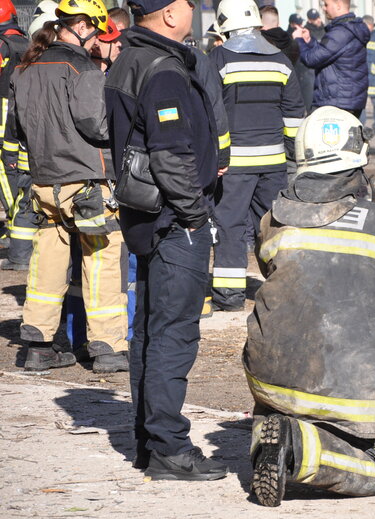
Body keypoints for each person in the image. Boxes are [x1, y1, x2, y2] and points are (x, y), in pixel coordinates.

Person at [244, 106, 375, 506]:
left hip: (270, 372)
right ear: (359, 160)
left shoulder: (271, 219)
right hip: (348, 383)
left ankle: (273, 436)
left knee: (283, 403)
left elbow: (277, 282)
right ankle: (299, 448)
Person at [104, 0, 227, 480]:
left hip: (146, 218)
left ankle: (149, 440)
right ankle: (170, 448)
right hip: (174, 223)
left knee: (151, 333)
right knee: (173, 335)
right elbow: (170, 153)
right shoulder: (163, 69)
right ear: (172, 14)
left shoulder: (128, 60)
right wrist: (196, 216)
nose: (194, 12)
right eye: (190, 5)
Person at [7, 0, 130, 373]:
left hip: (44, 183)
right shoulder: (82, 68)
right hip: (87, 183)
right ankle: (108, 347)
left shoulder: (25, 68)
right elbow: (97, 125)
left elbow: (19, 128)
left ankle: (38, 345)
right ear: (80, 26)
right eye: (95, 30)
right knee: (103, 259)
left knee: (47, 263)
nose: (98, 39)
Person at [208, 0, 304, 311]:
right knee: (274, 227)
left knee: (230, 227)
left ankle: (229, 296)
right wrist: (294, 157)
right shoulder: (280, 60)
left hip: (233, 166)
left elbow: (212, 112)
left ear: (226, 26)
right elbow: (294, 116)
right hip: (274, 163)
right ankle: (284, 290)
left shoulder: (219, 59)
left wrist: (216, 156)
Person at [293, 0, 370, 118]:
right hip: (345, 100)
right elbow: (327, 54)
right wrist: (309, 42)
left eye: (326, 4)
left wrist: (298, 41)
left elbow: (312, 59)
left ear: (338, 5)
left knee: (310, 133)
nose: (324, 8)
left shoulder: (341, 32)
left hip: (336, 103)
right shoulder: (348, 28)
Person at [0, 0, 31, 269]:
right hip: (21, 117)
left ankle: (13, 222)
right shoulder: (24, 43)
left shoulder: (2, 45)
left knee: (5, 174)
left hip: (3, 123)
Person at [287, 12, 313, 112]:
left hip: (305, 74)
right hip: (294, 74)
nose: (301, 27)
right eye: (298, 24)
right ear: (292, 24)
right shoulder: (287, 37)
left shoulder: (303, 36)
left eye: (301, 24)